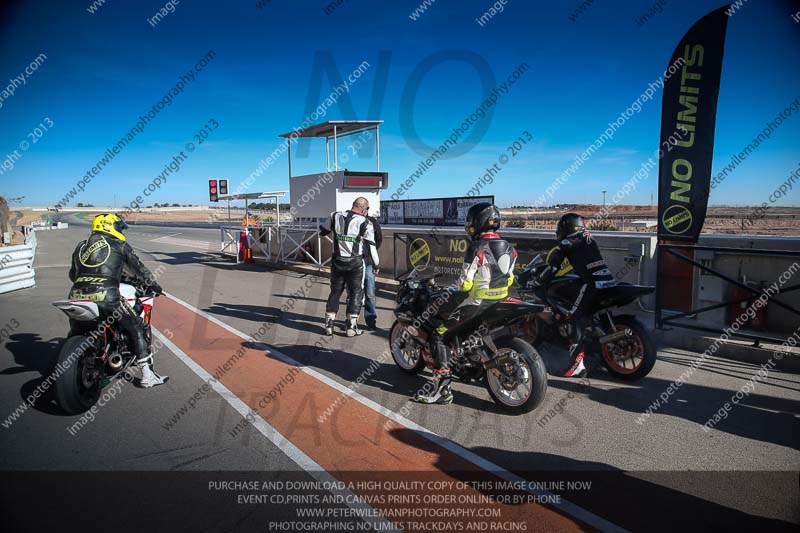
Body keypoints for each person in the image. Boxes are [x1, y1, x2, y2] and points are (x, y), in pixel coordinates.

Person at [413, 202, 517, 405]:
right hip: (500, 300)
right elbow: (511, 278)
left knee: (439, 335)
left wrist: (452, 289)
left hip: (477, 302)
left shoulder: (476, 247)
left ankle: (442, 390)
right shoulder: (510, 247)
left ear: (477, 223)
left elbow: (465, 282)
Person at [68, 213, 168, 388]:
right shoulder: (119, 245)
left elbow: (72, 274)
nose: (121, 230)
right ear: (109, 226)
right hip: (107, 296)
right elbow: (140, 271)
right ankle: (148, 375)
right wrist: (155, 286)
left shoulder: (80, 246)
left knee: (75, 332)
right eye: (118, 227)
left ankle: (71, 362)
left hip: (76, 296)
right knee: (137, 326)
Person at [543, 213, 616, 378]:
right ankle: (601, 350)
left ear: (567, 227)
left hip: (592, 284)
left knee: (574, 318)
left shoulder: (568, 241)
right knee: (598, 315)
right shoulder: (589, 238)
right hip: (608, 281)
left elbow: (554, 265)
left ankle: (576, 363)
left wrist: (543, 276)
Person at [320, 197, 379, 337]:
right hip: (355, 263)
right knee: (356, 293)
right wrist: (376, 264)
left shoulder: (335, 215)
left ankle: (329, 324)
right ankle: (351, 327)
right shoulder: (365, 222)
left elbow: (322, 231)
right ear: (364, 209)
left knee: (335, 292)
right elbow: (372, 247)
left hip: (337, 261)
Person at [362, 212, 382, 330]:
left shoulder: (372, 222)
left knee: (369, 293)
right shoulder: (353, 221)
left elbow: (378, 239)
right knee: (355, 293)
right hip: (357, 262)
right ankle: (351, 321)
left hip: (368, 261)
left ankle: (370, 321)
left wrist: (372, 253)